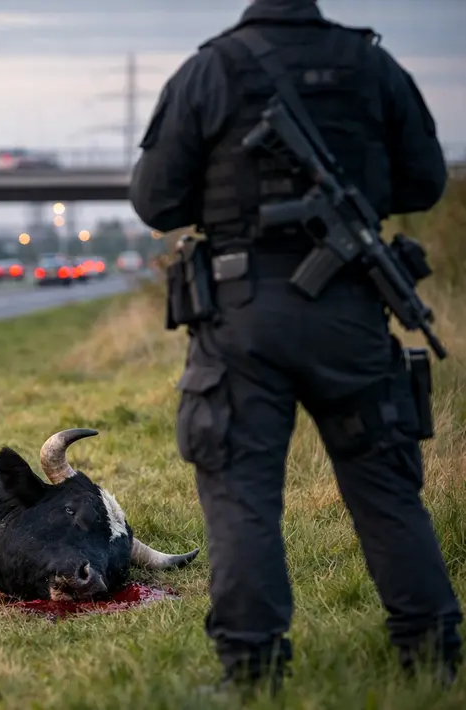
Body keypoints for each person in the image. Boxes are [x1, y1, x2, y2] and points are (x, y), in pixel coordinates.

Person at [129, 0, 461, 695]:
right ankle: (431, 661)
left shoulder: (210, 69)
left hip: (242, 311)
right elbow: (425, 181)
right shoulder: (372, 64)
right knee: (386, 492)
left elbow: (156, 201)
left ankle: (250, 673)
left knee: (241, 494)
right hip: (350, 310)